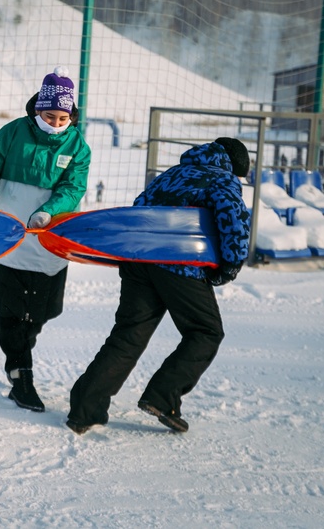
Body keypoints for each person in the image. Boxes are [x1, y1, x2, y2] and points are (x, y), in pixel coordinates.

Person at [66, 138, 251, 435]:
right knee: (206, 331)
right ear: (234, 166)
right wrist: (231, 265)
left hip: (139, 261)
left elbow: (139, 208)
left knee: (129, 335)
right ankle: (162, 397)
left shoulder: (171, 173)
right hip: (179, 264)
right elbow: (234, 221)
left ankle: (84, 410)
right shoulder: (222, 179)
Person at [0, 67, 92, 412]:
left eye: (62, 117)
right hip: (10, 239)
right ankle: (20, 376)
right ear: (37, 109)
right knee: (11, 312)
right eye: (48, 115)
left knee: (43, 310)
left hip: (50, 241)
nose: (54, 122)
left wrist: (50, 211)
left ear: (71, 116)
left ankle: (21, 357)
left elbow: (73, 187)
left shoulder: (78, 147)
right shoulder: (12, 133)